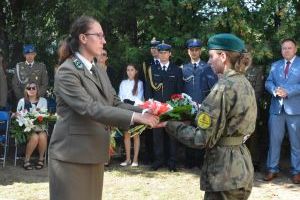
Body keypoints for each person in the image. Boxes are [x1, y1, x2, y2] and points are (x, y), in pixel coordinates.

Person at [48, 16, 158, 200]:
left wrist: (146, 112)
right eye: (99, 35)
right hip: (71, 157)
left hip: (94, 153)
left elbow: (114, 102)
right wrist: (136, 118)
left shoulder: (98, 69)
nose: (104, 41)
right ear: (83, 38)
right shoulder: (67, 71)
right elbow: (90, 108)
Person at [156, 33, 257, 199]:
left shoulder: (222, 88)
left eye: (211, 56)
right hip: (241, 165)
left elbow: (201, 138)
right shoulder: (244, 83)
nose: (209, 61)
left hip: (223, 172)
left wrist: (169, 124)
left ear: (223, 56)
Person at [264, 38, 300, 184]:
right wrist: (274, 90)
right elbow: (268, 82)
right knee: (274, 141)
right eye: (284, 48)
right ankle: (272, 169)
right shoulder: (275, 65)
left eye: (289, 48)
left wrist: (288, 91)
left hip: (295, 110)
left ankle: (297, 171)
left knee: (296, 143)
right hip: (276, 109)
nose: (286, 50)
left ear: (295, 49)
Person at [145, 42, 183, 172]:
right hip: (156, 108)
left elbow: (179, 90)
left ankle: (172, 161)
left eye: (165, 52)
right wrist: (150, 105)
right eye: (160, 52)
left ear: (170, 54)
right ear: (158, 54)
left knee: (172, 134)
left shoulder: (176, 70)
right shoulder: (153, 69)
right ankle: (159, 160)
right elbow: (149, 89)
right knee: (157, 135)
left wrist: (175, 106)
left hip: (171, 107)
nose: (163, 55)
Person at [182, 38, 218, 168]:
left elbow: (214, 89)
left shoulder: (208, 68)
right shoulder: (184, 69)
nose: (194, 52)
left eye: (196, 50)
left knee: (202, 132)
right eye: (191, 50)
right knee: (188, 132)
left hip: (203, 106)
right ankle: (189, 161)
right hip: (187, 107)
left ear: (200, 51)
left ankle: (201, 161)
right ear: (188, 51)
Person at [16, 82, 48, 170]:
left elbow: (44, 114)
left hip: (40, 127)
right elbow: (18, 116)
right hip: (26, 128)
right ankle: (26, 160)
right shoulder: (22, 101)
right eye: (29, 88)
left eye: (34, 88)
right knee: (34, 137)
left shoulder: (43, 101)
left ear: (37, 90)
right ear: (26, 90)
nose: (31, 90)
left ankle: (41, 159)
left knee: (42, 136)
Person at [119, 64, 144, 167]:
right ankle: (128, 159)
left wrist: (131, 105)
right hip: (125, 111)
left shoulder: (140, 83)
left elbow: (140, 98)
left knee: (135, 135)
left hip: (135, 111)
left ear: (136, 71)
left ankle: (135, 159)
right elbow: (120, 96)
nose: (129, 72)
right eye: (128, 70)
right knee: (126, 135)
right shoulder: (123, 83)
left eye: (132, 70)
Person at [244, 51, 266, 172]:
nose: (246, 58)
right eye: (244, 56)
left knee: (253, 135)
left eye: (248, 56)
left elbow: (258, 91)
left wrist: (246, 103)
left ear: (252, 57)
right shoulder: (238, 69)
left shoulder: (257, 71)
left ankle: (254, 161)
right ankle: (242, 161)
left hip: (252, 107)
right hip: (238, 108)